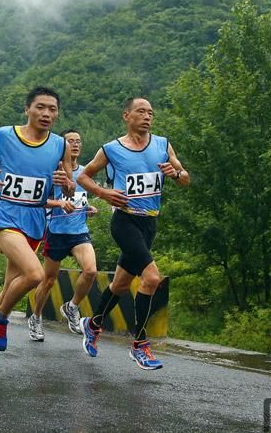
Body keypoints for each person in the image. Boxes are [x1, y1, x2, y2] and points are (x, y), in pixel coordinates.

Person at [76, 97, 189, 370]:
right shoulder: (112, 149)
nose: (147, 116)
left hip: (150, 223)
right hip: (125, 222)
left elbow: (185, 179)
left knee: (121, 285)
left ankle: (93, 324)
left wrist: (176, 173)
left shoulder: (162, 144)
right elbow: (83, 177)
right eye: (141, 111)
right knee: (151, 278)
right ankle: (140, 345)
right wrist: (104, 193)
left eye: (151, 112)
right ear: (127, 116)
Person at [0, 86, 74, 372]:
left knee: (8, 289)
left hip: (36, 222)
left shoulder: (59, 145)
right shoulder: (5, 135)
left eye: (52, 109)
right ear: (27, 109)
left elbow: (69, 183)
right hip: (5, 217)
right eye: (40, 107)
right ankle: (1, 319)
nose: (46, 113)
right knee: (35, 274)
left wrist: (66, 182)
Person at [29, 129, 98, 341]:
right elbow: (37, 200)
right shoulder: (53, 171)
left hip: (79, 232)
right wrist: (59, 203)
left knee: (90, 271)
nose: (75, 145)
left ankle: (72, 306)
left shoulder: (85, 172)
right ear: (62, 147)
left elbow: (80, 197)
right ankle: (36, 317)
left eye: (78, 141)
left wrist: (88, 208)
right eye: (70, 142)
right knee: (48, 280)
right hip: (56, 232)